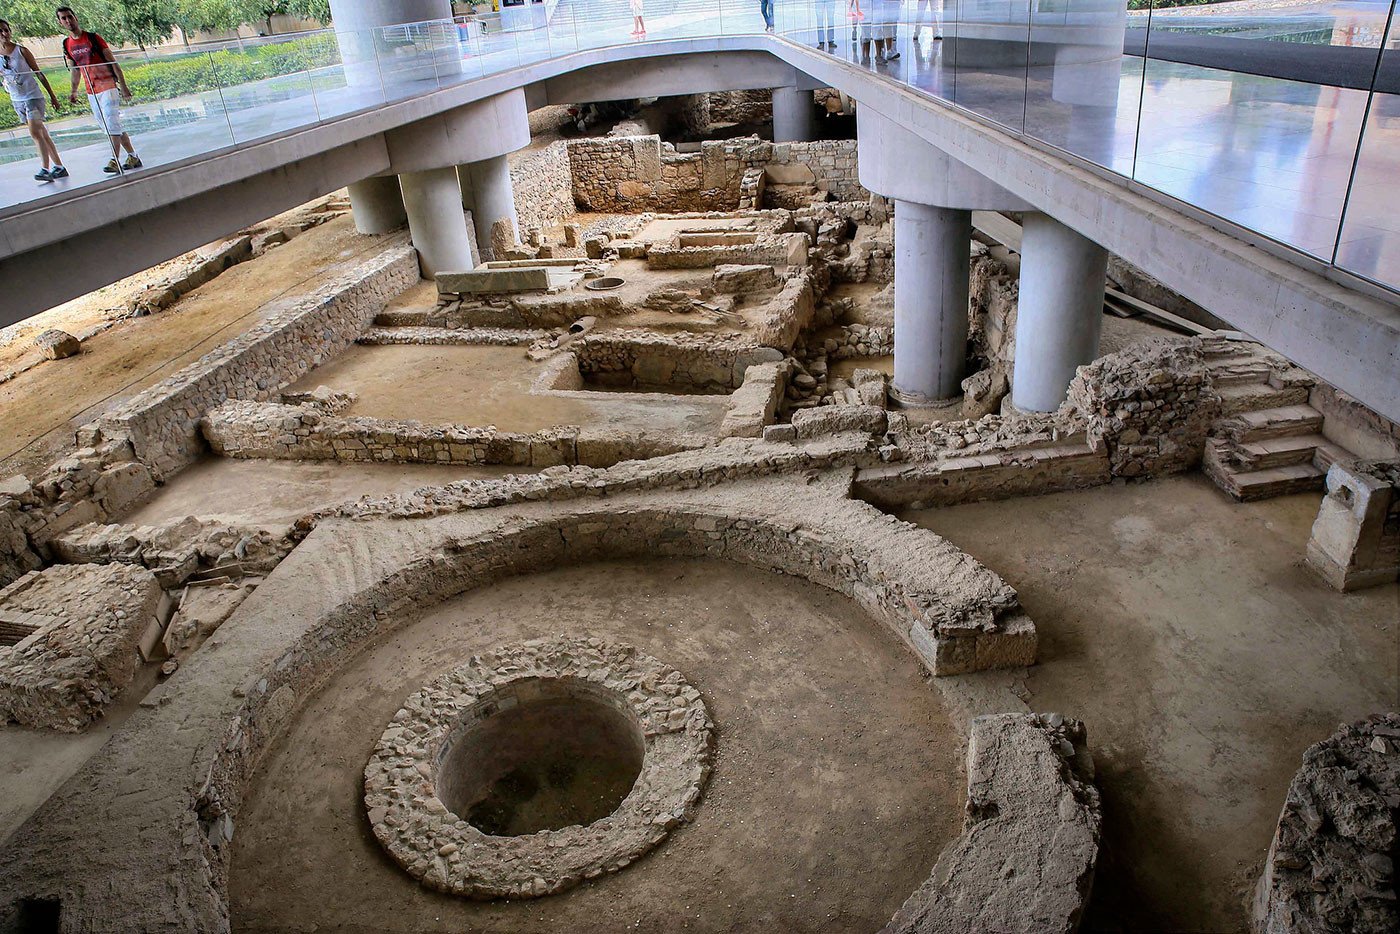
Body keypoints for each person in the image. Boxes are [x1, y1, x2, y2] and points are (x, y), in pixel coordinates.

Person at [56, 5, 141, 174]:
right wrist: (73, 91)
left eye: (69, 16)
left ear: (76, 17)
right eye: (63, 18)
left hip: (107, 84)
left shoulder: (93, 38)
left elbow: (112, 62)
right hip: (91, 90)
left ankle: (114, 160)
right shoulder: (67, 44)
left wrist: (123, 86)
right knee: (111, 126)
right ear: (60, 22)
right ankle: (133, 156)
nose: (68, 21)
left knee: (111, 123)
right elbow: (75, 70)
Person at [0, 19, 66, 181]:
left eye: (6, 30)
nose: (4, 34)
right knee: (42, 132)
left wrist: (52, 96)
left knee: (35, 132)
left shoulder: (21, 51)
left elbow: (38, 73)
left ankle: (45, 168)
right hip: (17, 99)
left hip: (32, 97)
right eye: (0, 31)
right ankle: (59, 166)